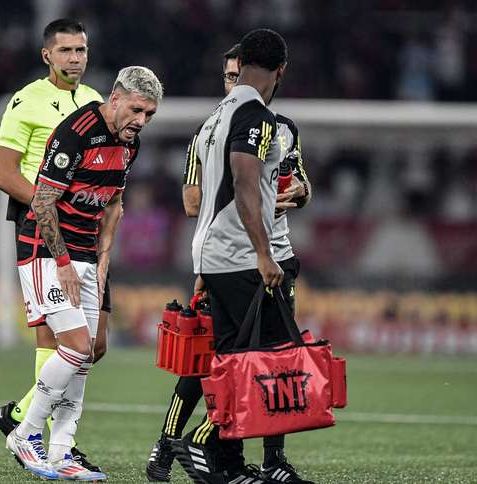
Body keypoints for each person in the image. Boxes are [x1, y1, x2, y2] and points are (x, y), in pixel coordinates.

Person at [146, 43, 313, 484]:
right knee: (255, 362)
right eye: (225, 74)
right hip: (246, 255)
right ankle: (197, 441)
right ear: (279, 70)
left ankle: (239, 464)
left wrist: (292, 195)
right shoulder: (239, 120)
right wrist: (260, 249)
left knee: (242, 359)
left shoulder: (265, 127)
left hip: (238, 253)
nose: (231, 79)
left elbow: (299, 185)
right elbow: (217, 190)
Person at [5, 66, 163, 481]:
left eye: (148, 114)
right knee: (75, 346)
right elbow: (41, 202)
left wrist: (103, 260)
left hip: (87, 256)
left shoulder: (131, 144)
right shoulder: (76, 131)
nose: (140, 121)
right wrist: (62, 264)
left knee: (87, 354)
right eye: (135, 110)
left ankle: (61, 451)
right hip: (44, 250)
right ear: (115, 98)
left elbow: (113, 203)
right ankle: (25, 434)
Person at [0, 18, 108, 472]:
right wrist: (51, 203)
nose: (75, 58)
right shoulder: (27, 101)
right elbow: (2, 174)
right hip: (42, 223)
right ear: (48, 56)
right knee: (57, 337)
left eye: (81, 50)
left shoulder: (97, 101)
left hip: (87, 228)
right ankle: (47, 441)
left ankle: (20, 416)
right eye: (66, 51)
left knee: (92, 344)